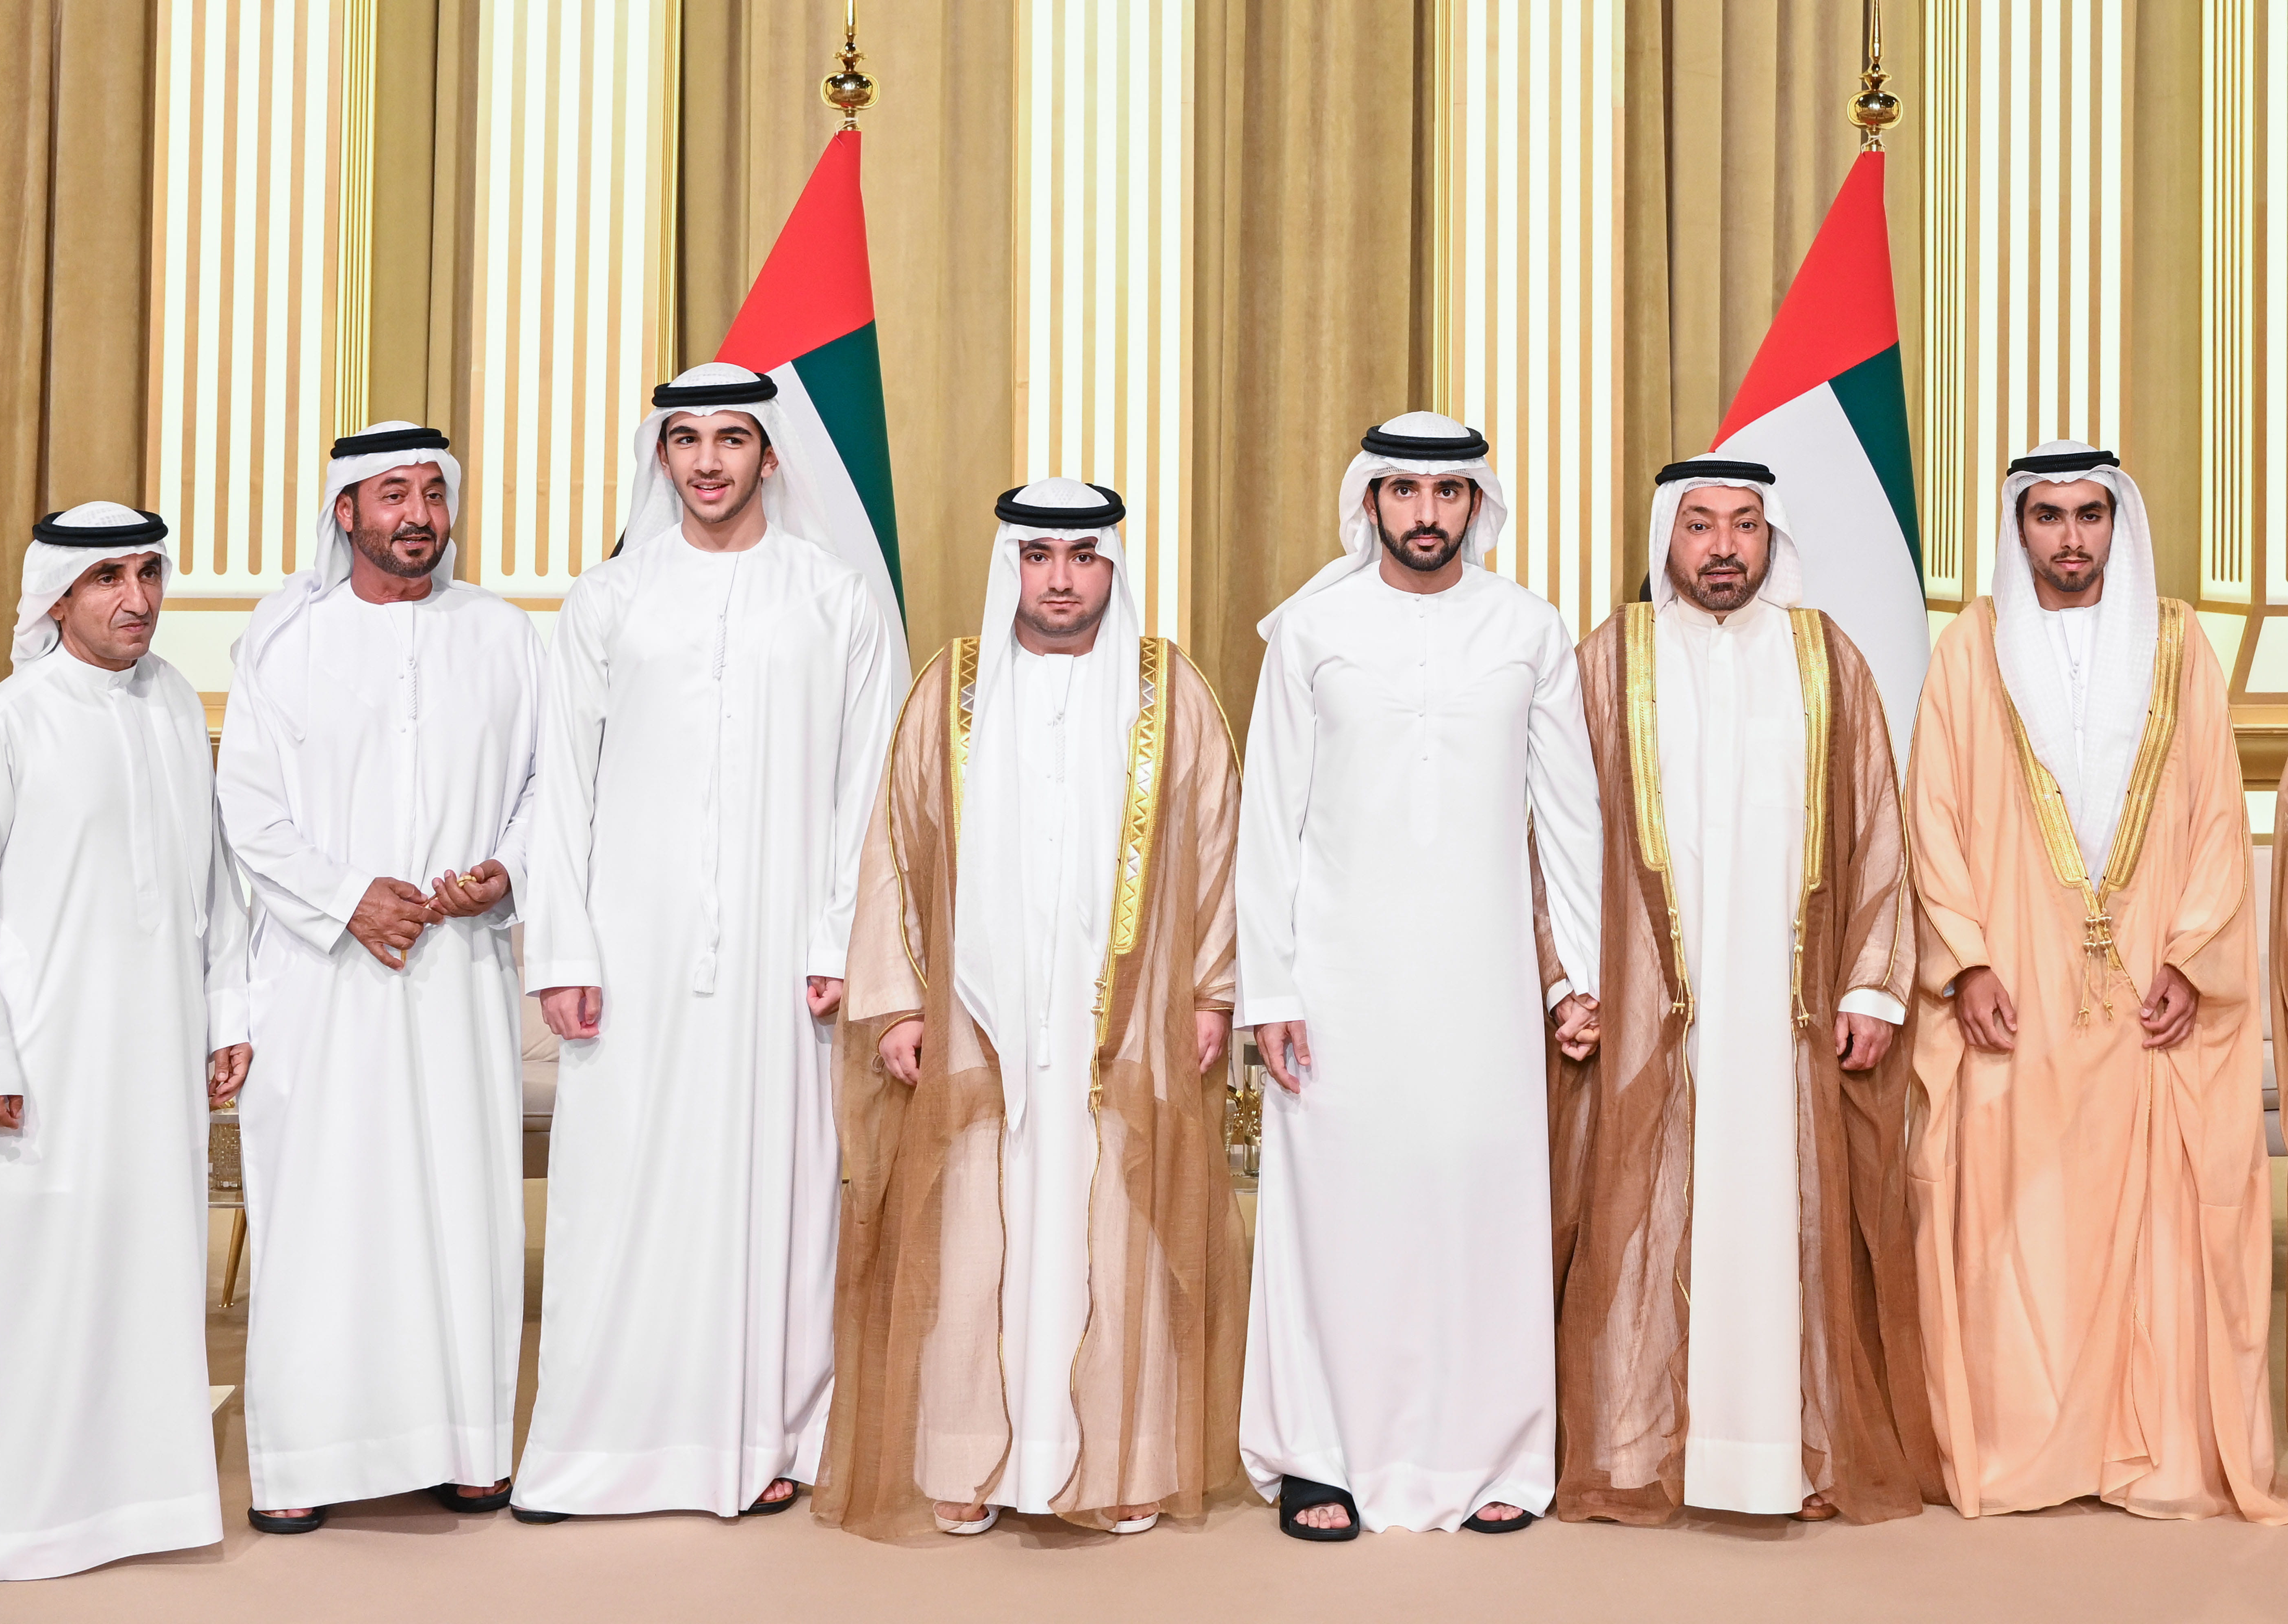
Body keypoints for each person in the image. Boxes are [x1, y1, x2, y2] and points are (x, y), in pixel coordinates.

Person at [818, 479, 1247, 1541]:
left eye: (1084, 558)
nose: (1061, 580)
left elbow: (1220, 846)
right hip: (981, 1021)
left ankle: (1124, 1459)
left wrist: (1212, 990)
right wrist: (899, 1005)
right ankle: (966, 1455)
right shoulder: (953, 688)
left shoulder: (1168, 689)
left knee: (1121, 1228)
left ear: (1113, 568)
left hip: (1126, 1014)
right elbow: (894, 850)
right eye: (1040, 557)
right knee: (974, 1233)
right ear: (1011, 564)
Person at [513, 363, 900, 1521]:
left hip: (787, 957)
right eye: (687, 439)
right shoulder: (608, 600)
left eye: (733, 438)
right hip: (629, 955)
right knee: (621, 1189)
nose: (710, 461)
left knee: (775, 1193)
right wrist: (564, 953)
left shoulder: (836, 600)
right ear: (663, 456)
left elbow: (868, 787)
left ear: (770, 456)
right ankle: (604, 1441)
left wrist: (838, 937)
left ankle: (771, 1435)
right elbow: (562, 789)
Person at [1551, 458, 1940, 1525]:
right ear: (1665, 539)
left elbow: (1879, 827)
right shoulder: (1609, 660)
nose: (1723, 546)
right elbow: (1554, 834)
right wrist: (1567, 979)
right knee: (1642, 1213)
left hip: (1789, 1013)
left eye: (1745, 524)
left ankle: (1784, 1458)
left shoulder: (1826, 657)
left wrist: (1873, 986)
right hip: (1646, 1004)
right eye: (1700, 524)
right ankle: (1638, 1450)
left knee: (1784, 1217)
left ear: (1773, 539)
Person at [1236, 414, 1602, 1539]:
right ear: (1371, 503)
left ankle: (1496, 1455)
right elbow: (1270, 819)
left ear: (1476, 504)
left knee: (1482, 1207)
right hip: (1340, 984)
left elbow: (1570, 819)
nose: (1427, 514)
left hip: (1484, 982)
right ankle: (1318, 1456)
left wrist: (1578, 975)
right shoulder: (1312, 629)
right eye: (1404, 491)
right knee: (1337, 1215)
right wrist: (1271, 988)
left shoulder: (1528, 627)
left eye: (1447, 493)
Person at [1906, 442, 2284, 1522]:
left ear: (2118, 522)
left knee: (2158, 1211)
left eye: (2090, 515)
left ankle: (2155, 1444)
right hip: (2013, 986)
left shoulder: (2177, 644)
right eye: (2049, 516)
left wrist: (2194, 958)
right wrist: (1965, 962)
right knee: (2016, 1218)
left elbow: (2216, 815)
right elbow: (1933, 814)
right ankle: (2022, 1444)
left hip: (2151, 986)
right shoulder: (1970, 650)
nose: (2071, 539)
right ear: (2018, 527)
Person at [0, 504, 250, 1581]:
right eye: (109, 578)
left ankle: (138, 1508)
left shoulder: (173, 708)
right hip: (39, 1066)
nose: (137, 599)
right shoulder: (3, 725)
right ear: (57, 598)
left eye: (149, 574)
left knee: (142, 1277)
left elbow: (215, 886)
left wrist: (226, 1017)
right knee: (24, 1290)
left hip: (155, 1060)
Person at [217, 424, 543, 1533]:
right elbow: (248, 809)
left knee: (461, 1202)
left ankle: (466, 1450)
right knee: (325, 1207)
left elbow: (552, 783)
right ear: (345, 512)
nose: (416, 515)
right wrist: (349, 896)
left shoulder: (504, 634)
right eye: (391, 494)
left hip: (457, 970)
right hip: (322, 978)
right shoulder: (286, 641)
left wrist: (507, 868)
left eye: (432, 494)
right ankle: (308, 1464)